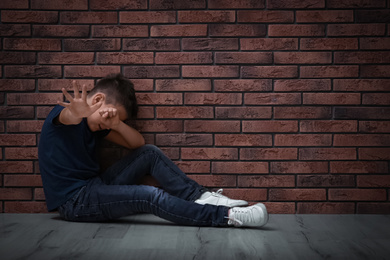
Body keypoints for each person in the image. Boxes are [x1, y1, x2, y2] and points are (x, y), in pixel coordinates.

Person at [38, 74, 269, 228]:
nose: (107, 120)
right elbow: (68, 117)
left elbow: (137, 144)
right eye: (109, 113)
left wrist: (116, 123)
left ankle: (202, 196)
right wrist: (78, 112)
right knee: (149, 195)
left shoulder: (97, 125)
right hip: (74, 202)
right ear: (97, 99)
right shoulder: (61, 118)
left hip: (96, 186)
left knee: (149, 152)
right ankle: (227, 218)